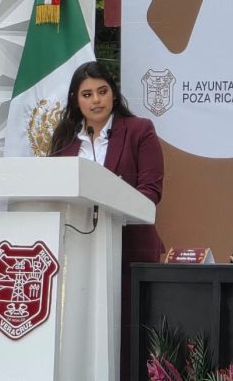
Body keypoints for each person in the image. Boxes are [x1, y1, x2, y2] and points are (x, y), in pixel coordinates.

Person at [48, 61, 164, 379]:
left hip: (129, 252)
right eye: (87, 94)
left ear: (114, 94)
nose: (96, 100)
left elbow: (150, 192)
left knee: (125, 342)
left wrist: (111, 200)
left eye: (102, 91)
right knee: (77, 337)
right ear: (76, 100)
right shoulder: (65, 140)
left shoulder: (139, 130)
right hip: (75, 255)